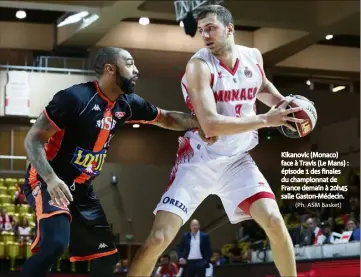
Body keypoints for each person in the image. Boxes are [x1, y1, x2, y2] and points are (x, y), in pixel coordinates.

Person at [127, 5, 308, 277]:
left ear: (229, 28)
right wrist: (265, 120)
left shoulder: (252, 56)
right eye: (201, 31)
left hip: (237, 161)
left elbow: (262, 86)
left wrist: (285, 106)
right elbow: (210, 124)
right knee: (158, 239)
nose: (206, 35)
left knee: (273, 221)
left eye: (211, 28)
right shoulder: (198, 66)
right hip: (198, 161)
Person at [20, 47, 214, 277]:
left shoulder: (127, 103)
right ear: (110, 69)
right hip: (49, 180)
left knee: (107, 258)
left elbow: (167, 118)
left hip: (82, 189)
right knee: (55, 244)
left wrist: (203, 123)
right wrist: (51, 179)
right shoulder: (74, 98)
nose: (136, 70)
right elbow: (33, 139)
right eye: (130, 64)